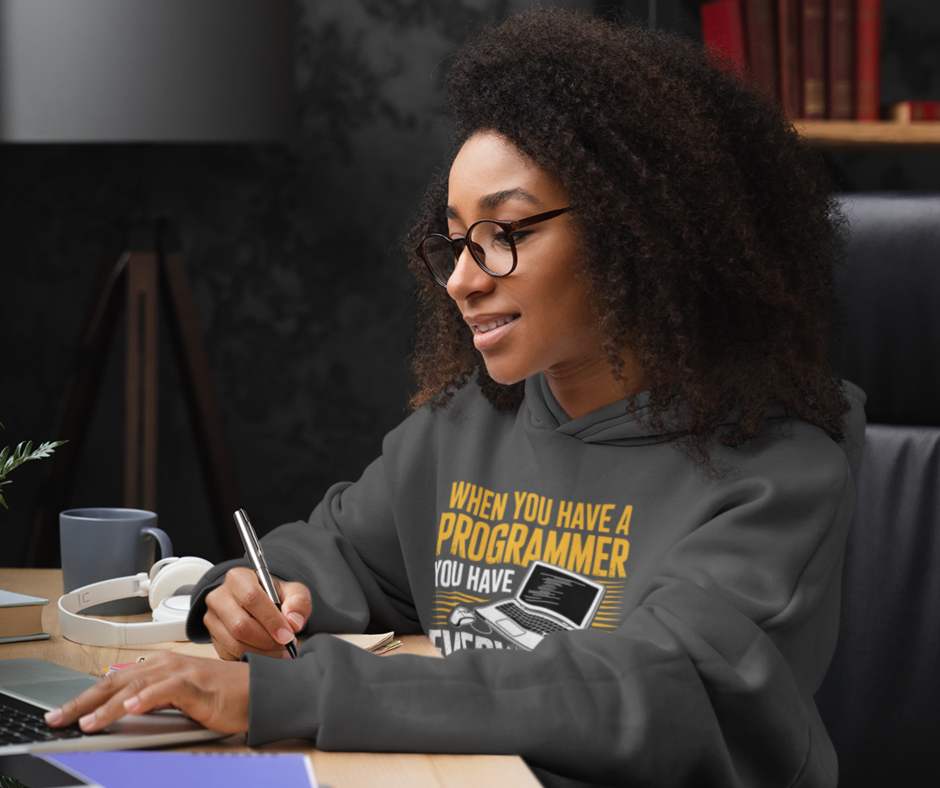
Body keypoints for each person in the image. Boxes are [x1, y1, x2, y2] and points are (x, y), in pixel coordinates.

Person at [47, 9, 866, 788]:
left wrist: (291, 693)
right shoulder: (467, 423)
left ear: (639, 234)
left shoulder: (779, 467)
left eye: (506, 234)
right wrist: (250, 594)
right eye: (456, 241)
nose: (464, 281)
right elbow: (339, 555)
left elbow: (648, 687)